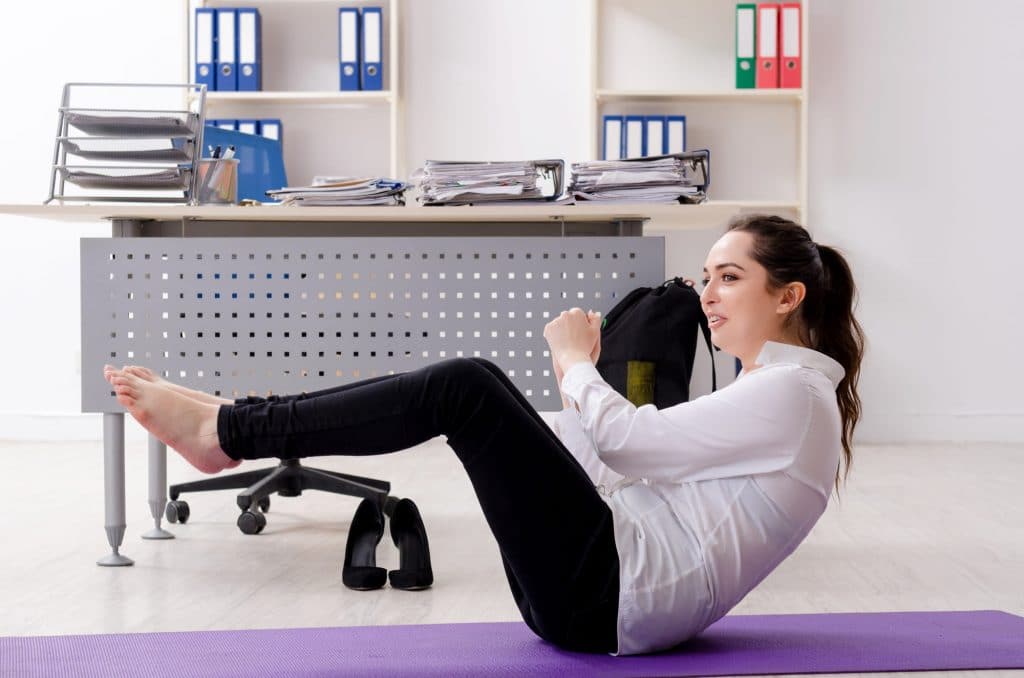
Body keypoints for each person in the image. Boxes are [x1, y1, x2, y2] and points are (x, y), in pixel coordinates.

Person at [105, 214, 865, 656]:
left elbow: (630, 447)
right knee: (481, 389)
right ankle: (235, 420)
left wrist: (574, 364)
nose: (706, 296)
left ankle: (228, 429)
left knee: (464, 386)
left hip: (607, 601)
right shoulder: (781, 393)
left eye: (729, 278)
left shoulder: (791, 395)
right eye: (706, 276)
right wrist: (549, 410)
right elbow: (614, 461)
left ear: (788, 295)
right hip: (607, 588)